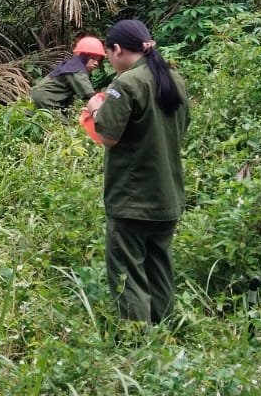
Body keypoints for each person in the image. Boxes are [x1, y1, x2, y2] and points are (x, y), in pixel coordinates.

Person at [83, 20, 189, 324]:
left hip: (133, 199)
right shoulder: (174, 79)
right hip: (167, 196)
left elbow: (108, 136)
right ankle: (166, 333)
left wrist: (95, 109)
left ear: (117, 50)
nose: (109, 61)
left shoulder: (126, 83)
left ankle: (136, 342)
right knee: (159, 269)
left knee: (127, 275)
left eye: (109, 55)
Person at [30, 37, 106, 110]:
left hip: (40, 95)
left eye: (98, 61)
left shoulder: (72, 65)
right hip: (46, 99)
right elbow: (90, 95)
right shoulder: (77, 71)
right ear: (84, 57)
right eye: (93, 59)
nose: (96, 63)